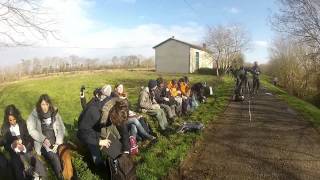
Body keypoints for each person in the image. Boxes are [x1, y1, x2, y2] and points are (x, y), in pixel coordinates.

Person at [77, 84, 130, 167]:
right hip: (89, 127)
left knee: (117, 142)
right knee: (97, 160)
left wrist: (126, 150)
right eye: (115, 122)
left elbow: (124, 130)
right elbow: (81, 133)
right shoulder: (93, 112)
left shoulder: (118, 107)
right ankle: (99, 165)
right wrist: (99, 142)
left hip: (103, 121)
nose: (118, 125)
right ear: (111, 116)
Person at [1, 105, 46, 180]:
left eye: (14, 119)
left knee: (40, 168)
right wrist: (13, 145)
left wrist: (24, 147)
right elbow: (6, 145)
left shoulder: (22, 123)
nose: (12, 122)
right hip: (15, 155)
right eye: (10, 120)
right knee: (19, 172)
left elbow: (28, 138)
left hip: (26, 150)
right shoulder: (5, 128)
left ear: (17, 117)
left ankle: (38, 177)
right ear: (7, 120)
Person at [27, 94, 66, 179]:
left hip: (55, 140)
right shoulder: (34, 114)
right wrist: (43, 139)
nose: (45, 107)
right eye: (43, 104)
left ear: (49, 104)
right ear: (39, 105)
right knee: (54, 157)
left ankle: (69, 174)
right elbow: (31, 130)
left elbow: (61, 127)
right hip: (42, 143)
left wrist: (58, 142)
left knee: (65, 154)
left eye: (47, 104)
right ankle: (60, 177)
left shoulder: (54, 112)